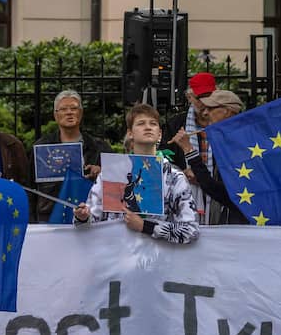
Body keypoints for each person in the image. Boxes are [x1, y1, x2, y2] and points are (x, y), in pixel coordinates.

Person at [74, 103, 199, 244]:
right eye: (141, 123)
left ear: (160, 134)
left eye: (153, 123)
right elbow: (87, 226)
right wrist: (82, 217)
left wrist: (146, 227)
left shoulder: (174, 176)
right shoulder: (112, 173)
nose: (147, 127)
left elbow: (191, 230)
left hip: (158, 261)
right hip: (115, 258)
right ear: (130, 133)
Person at [170, 90, 247, 225]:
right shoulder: (226, 139)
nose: (205, 113)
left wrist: (189, 150)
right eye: (204, 108)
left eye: (210, 108)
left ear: (227, 111)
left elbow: (217, 190)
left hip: (243, 222)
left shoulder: (241, 142)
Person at [31, 90, 107, 222]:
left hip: (90, 218)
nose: (69, 112)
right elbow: (30, 187)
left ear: (81, 113)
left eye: (74, 108)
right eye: (63, 109)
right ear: (55, 115)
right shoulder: (42, 148)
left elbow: (115, 185)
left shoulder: (99, 147)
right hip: (49, 218)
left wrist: (101, 173)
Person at [162, 72, 216, 171]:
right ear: (189, 97)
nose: (206, 102)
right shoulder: (175, 124)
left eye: (209, 96)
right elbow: (165, 159)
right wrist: (182, 173)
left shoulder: (223, 120)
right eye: (200, 98)